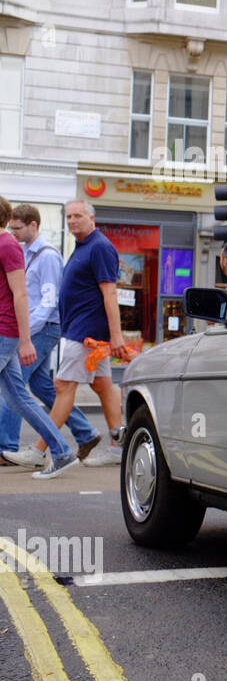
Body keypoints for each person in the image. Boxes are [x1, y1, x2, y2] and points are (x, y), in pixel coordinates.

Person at [2, 199, 125, 469]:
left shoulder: (100, 247)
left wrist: (116, 337)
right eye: (68, 216)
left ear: (92, 218)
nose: (72, 221)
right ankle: (115, 446)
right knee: (103, 387)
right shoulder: (83, 246)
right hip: (80, 331)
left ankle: (41, 449)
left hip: (86, 333)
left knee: (62, 386)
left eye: (78, 216)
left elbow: (110, 293)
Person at [0, 196, 78, 478]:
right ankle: (64, 450)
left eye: (18, 227)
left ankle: (9, 446)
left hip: (14, 330)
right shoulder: (14, 246)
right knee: (21, 397)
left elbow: (25, 296)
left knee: (21, 396)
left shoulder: (14, 247)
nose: (15, 232)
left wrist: (25, 340)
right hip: (14, 330)